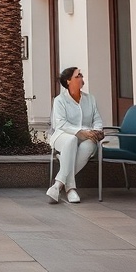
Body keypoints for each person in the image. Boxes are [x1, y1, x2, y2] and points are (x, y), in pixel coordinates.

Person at [47, 66, 104, 204]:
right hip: (62, 135)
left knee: (90, 144)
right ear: (68, 81)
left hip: (87, 137)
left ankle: (57, 185)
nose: (81, 78)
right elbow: (60, 124)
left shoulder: (90, 99)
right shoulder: (60, 100)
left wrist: (97, 131)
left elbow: (97, 119)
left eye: (81, 75)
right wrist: (79, 132)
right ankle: (70, 188)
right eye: (78, 76)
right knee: (72, 140)